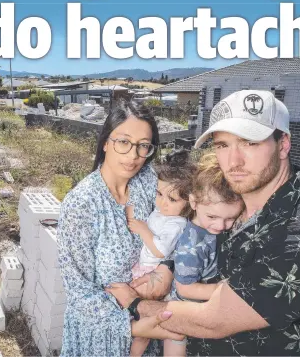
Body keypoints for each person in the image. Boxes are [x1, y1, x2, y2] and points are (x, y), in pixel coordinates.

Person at [107, 90, 300, 356]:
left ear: (283, 144)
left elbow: (212, 321)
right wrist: (169, 267)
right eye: (222, 145)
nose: (233, 161)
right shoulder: (231, 203)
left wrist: (136, 305)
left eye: (250, 143)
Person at [56, 100, 182, 357]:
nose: (133, 155)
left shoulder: (149, 183)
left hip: (150, 325)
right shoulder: (82, 203)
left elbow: (178, 229)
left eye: (143, 146)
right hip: (101, 337)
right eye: (123, 142)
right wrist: (135, 326)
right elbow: (79, 292)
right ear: (105, 142)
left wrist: (167, 268)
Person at [164, 152, 244, 357]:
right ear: (193, 202)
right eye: (212, 216)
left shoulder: (212, 229)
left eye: (230, 218)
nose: (220, 225)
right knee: (176, 342)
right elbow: (186, 288)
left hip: (201, 311)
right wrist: (224, 291)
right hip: (181, 311)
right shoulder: (192, 246)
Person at [125, 150, 195, 356]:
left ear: (189, 202)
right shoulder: (162, 212)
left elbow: (160, 249)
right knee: (134, 319)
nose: (163, 202)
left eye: (172, 199)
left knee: (142, 327)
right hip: (144, 269)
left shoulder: (177, 223)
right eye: (159, 194)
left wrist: (144, 230)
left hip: (152, 272)